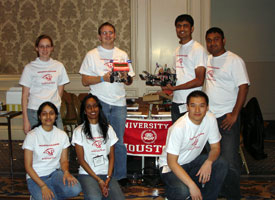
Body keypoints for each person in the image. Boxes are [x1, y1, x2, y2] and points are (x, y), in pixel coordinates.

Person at [79, 22, 135, 183]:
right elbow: (84, 81)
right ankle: (96, 174)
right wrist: (103, 78)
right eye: (104, 33)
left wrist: (126, 77)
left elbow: (129, 80)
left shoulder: (122, 54)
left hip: (118, 104)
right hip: (99, 103)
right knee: (97, 140)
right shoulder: (92, 55)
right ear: (99, 36)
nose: (108, 35)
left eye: (110, 32)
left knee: (118, 141)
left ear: (115, 35)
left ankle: (120, 176)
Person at [205, 27, 250, 199]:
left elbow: (244, 87)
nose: (212, 43)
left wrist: (234, 114)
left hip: (227, 117)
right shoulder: (207, 59)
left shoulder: (234, 60)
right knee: (214, 159)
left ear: (224, 40)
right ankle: (219, 190)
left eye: (216, 39)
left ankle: (233, 196)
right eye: (209, 40)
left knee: (230, 160)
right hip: (210, 118)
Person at [159, 90, 228, 200]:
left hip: (191, 162)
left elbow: (216, 148)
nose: (197, 110)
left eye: (201, 106)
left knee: (220, 163)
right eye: (193, 106)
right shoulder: (179, 128)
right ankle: (171, 195)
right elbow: (172, 162)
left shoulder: (210, 119)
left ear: (207, 107)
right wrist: (192, 186)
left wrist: (208, 162)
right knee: (183, 191)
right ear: (187, 107)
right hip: (171, 168)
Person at [22, 101, 81, 200]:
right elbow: (28, 166)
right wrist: (43, 186)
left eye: (51, 113)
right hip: (36, 177)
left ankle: (50, 193)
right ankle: (37, 195)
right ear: (39, 117)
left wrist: (66, 172)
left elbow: (64, 161)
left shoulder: (62, 135)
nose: (48, 116)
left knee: (75, 189)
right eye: (44, 114)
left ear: (56, 116)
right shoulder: (32, 136)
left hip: (55, 174)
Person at [72, 94, 125, 200]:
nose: (93, 109)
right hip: (88, 174)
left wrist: (108, 178)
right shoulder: (79, 131)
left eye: (95, 106)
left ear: (99, 108)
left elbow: (112, 157)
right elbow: (81, 160)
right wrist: (99, 180)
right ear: (84, 111)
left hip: (106, 174)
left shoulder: (108, 128)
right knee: (95, 197)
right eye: (89, 107)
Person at [161, 14, 207, 123]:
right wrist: (165, 82)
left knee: (191, 138)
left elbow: (199, 80)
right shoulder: (177, 50)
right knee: (178, 138)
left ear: (192, 29)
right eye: (179, 26)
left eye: (185, 26)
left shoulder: (198, 49)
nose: (182, 29)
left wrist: (175, 88)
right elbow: (178, 76)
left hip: (192, 104)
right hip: (176, 101)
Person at [20, 34, 69, 134]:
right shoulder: (29, 68)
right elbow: (24, 95)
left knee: (59, 142)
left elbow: (60, 90)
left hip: (53, 112)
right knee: (37, 145)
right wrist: (25, 120)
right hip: (34, 112)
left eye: (47, 46)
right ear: (37, 48)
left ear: (52, 48)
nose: (45, 49)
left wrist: (54, 105)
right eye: (42, 46)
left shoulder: (59, 66)